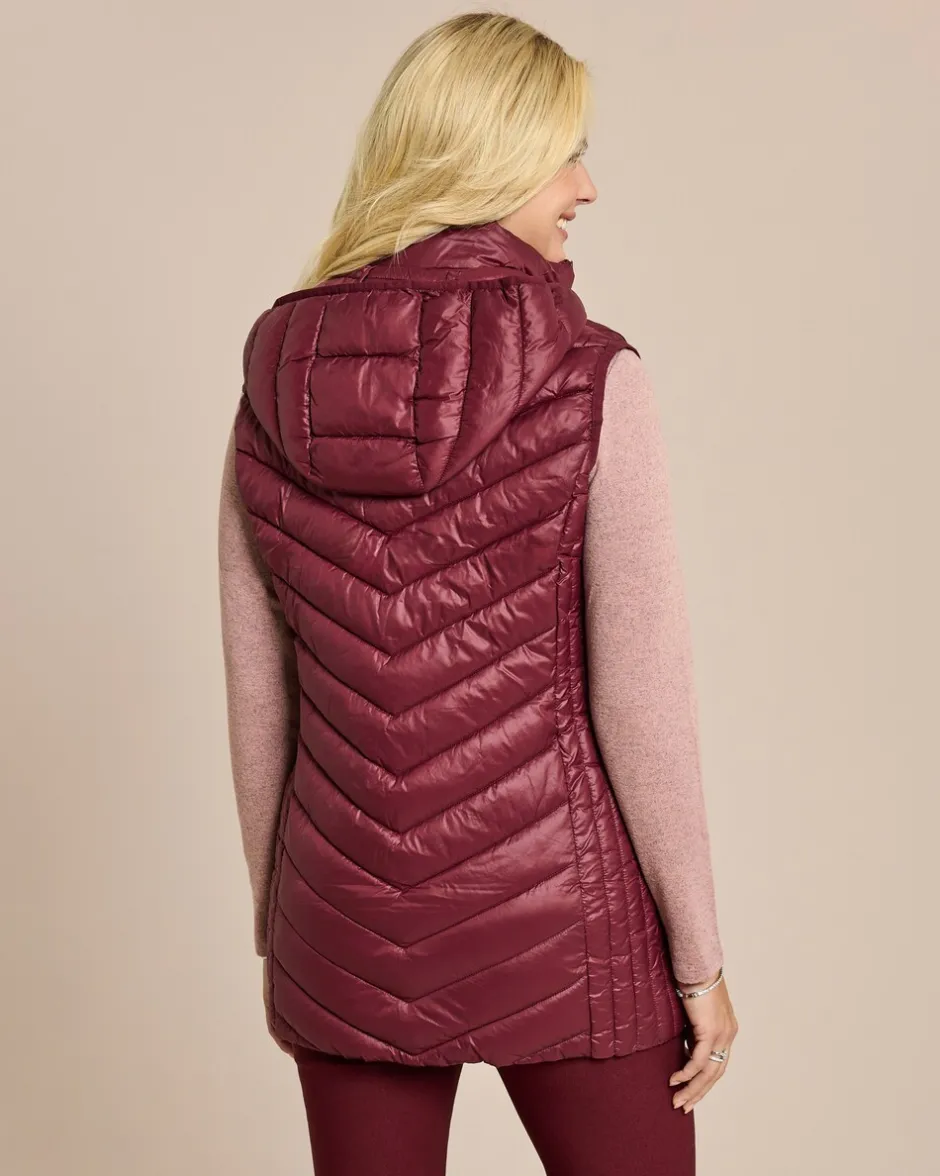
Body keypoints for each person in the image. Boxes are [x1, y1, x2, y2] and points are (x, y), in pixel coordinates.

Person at [217, 11, 738, 1175]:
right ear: (487, 158)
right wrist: (697, 956)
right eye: (565, 154)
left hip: (339, 929)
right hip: (567, 926)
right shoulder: (592, 376)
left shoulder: (278, 379)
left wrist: (283, 935)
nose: (587, 186)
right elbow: (642, 699)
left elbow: (262, 698)